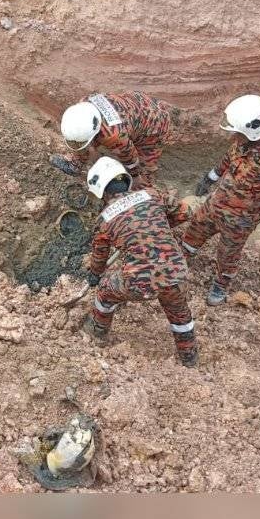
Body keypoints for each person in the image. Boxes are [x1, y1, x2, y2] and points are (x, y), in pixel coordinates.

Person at [181, 94, 260, 306]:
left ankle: (220, 285)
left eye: (236, 133)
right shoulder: (242, 143)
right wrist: (210, 178)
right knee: (195, 229)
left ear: (252, 130)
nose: (232, 137)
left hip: (240, 219)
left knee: (228, 253)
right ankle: (182, 259)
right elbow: (227, 160)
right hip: (216, 204)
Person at [81, 156, 199, 367]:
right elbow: (185, 213)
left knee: (105, 292)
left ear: (102, 192)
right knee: (179, 313)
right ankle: (190, 358)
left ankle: (97, 332)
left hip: (139, 283)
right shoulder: (153, 194)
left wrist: (94, 276)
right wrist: (160, 224)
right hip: (176, 273)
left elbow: (100, 258)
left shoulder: (105, 219)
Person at [51, 91, 176, 189]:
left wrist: (135, 176)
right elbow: (84, 137)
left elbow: (130, 158)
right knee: (86, 143)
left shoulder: (114, 136)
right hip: (133, 103)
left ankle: (148, 193)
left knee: (144, 170)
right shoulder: (83, 107)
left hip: (154, 124)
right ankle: (75, 165)